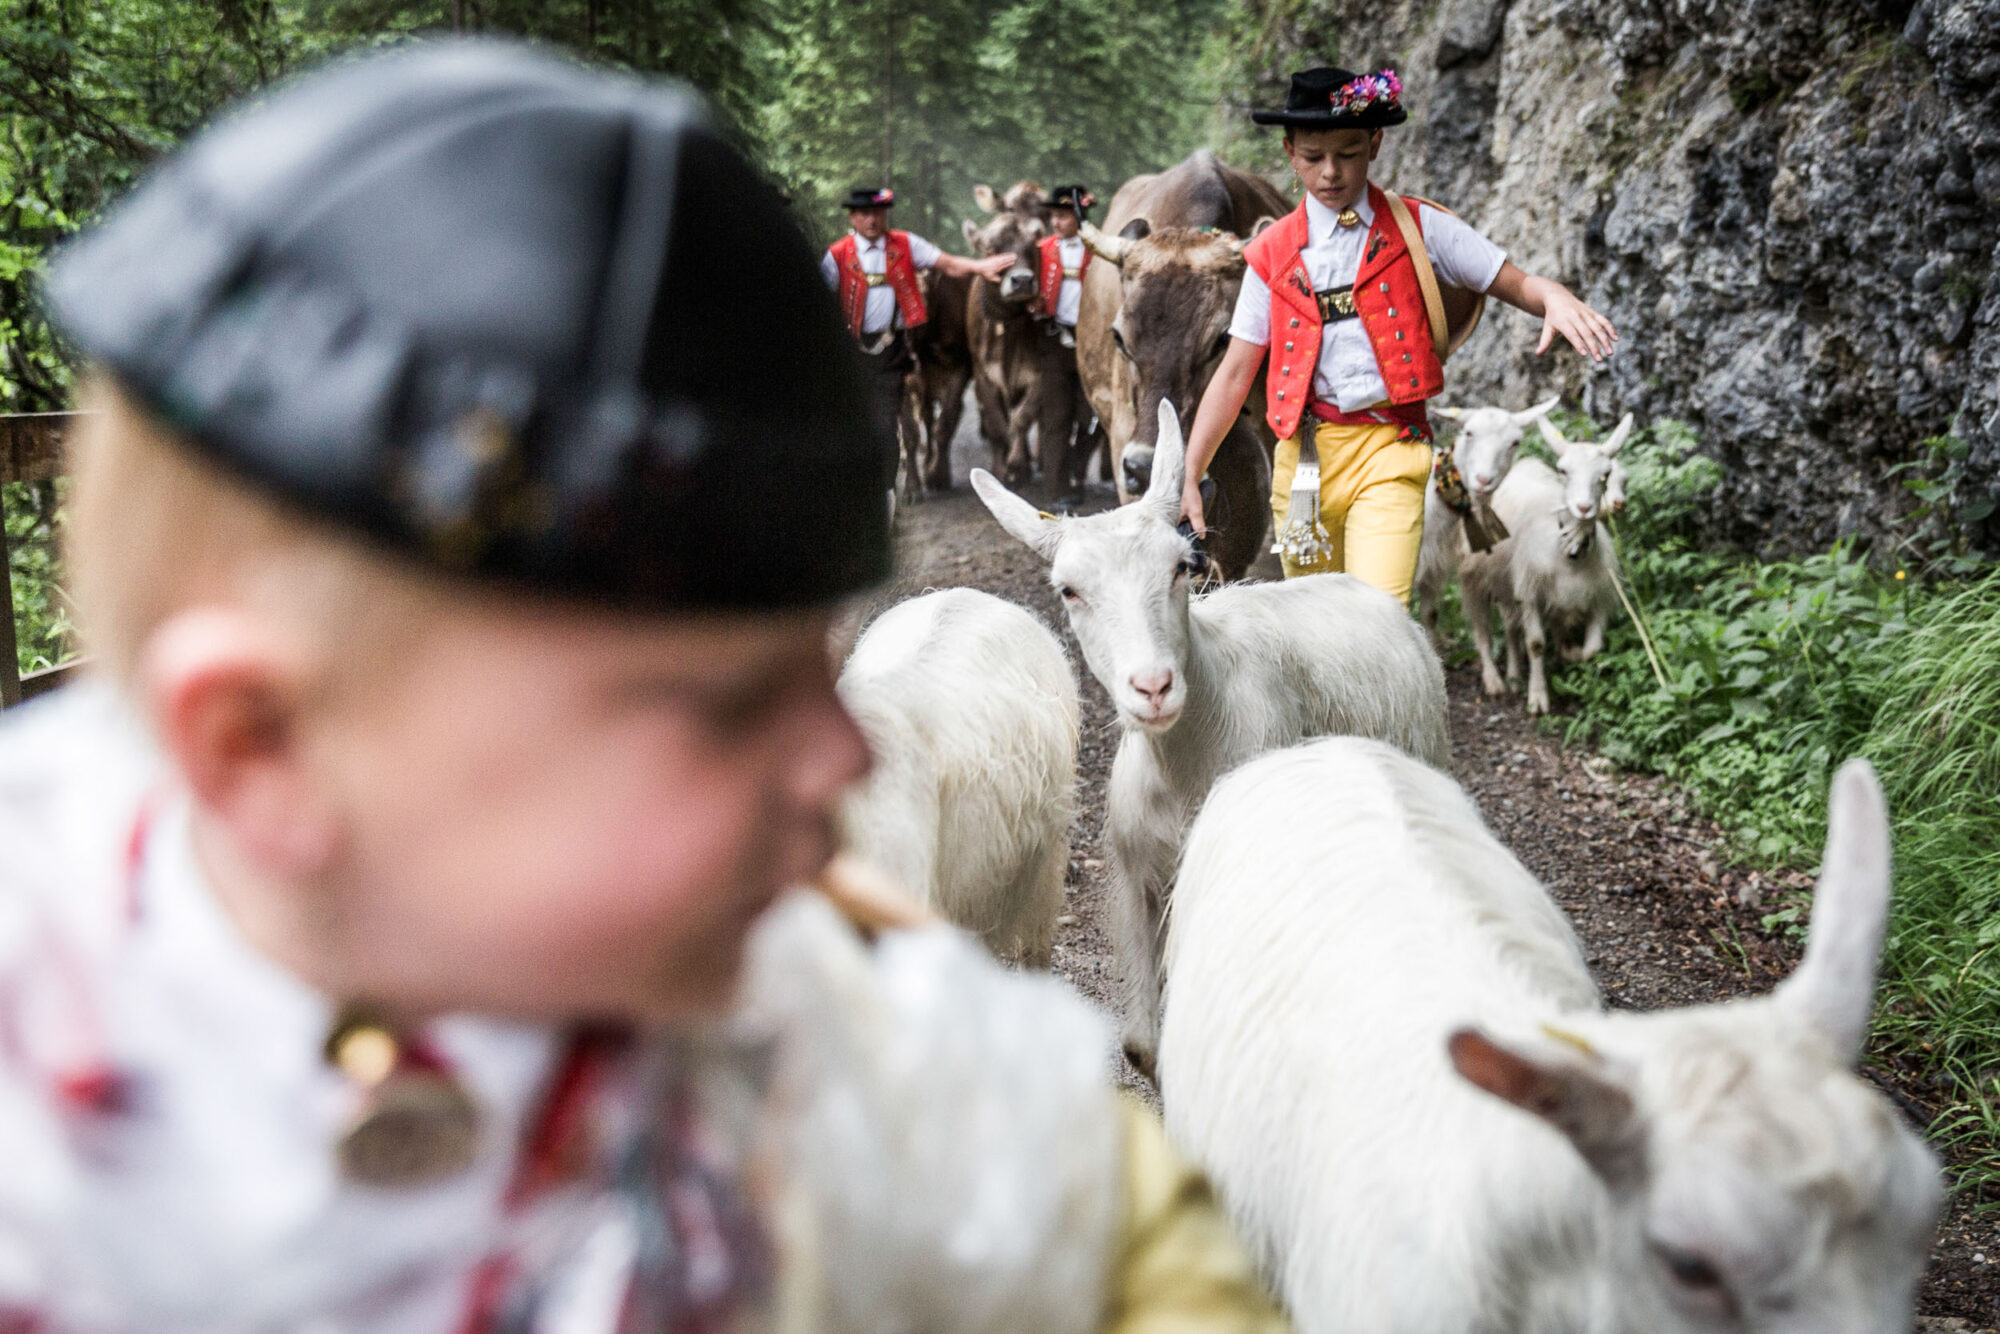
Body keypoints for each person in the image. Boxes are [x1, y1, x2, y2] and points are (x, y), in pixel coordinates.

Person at [0, 42, 1288, 1334]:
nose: (842, 756)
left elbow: (1081, 1199)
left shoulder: (774, 991)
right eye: (720, 710)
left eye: (818, 665)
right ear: (262, 751)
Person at [1179, 66, 1619, 605]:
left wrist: (1553, 296)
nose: (1332, 172)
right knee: (1315, 622)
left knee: (1377, 615)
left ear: (1376, 143)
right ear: (1291, 153)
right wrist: (1190, 471)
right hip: (1305, 463)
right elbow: (1234, 374)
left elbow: (1513, 281)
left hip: (1392, 446)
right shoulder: (1270, 256)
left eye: (1349, 152)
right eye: (1314, 157)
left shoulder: (1418, 228)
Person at [821, 185, 1011, 483]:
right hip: (852, 348)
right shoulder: (836, 255)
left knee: (886, 421)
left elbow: (947, 263)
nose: (873, 220)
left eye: (878, 214)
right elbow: (819, 296)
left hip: (892, 344)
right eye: (866, 214)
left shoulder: (906, 244)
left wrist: (979, 266)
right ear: (854, 217)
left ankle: (884, 486)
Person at [1036, 184, 1101, 509]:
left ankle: (1077, 470)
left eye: (1062, 216)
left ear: (1078, 216)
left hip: (1092, 345)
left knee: (1091, 416)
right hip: (1054, 344)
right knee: (1055, 419)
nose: (1056, 223)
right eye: (1053, 217)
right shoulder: (1040, 250)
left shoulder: (1098, 250)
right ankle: (1055, 490)